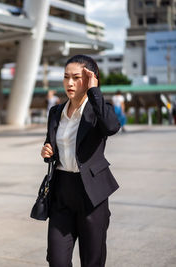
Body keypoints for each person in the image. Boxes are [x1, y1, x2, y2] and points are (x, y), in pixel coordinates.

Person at [40, 55, 120, 267]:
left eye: (76, 77)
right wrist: (47, 151)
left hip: (91, 194)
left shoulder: (99, 111)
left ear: (90, 78)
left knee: (92, 262)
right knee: (57, 261)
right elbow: (53, 144)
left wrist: (95, 91)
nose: (70, 83)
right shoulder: (56, 112)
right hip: (61, 192)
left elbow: (112, 127)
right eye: (66, 77)